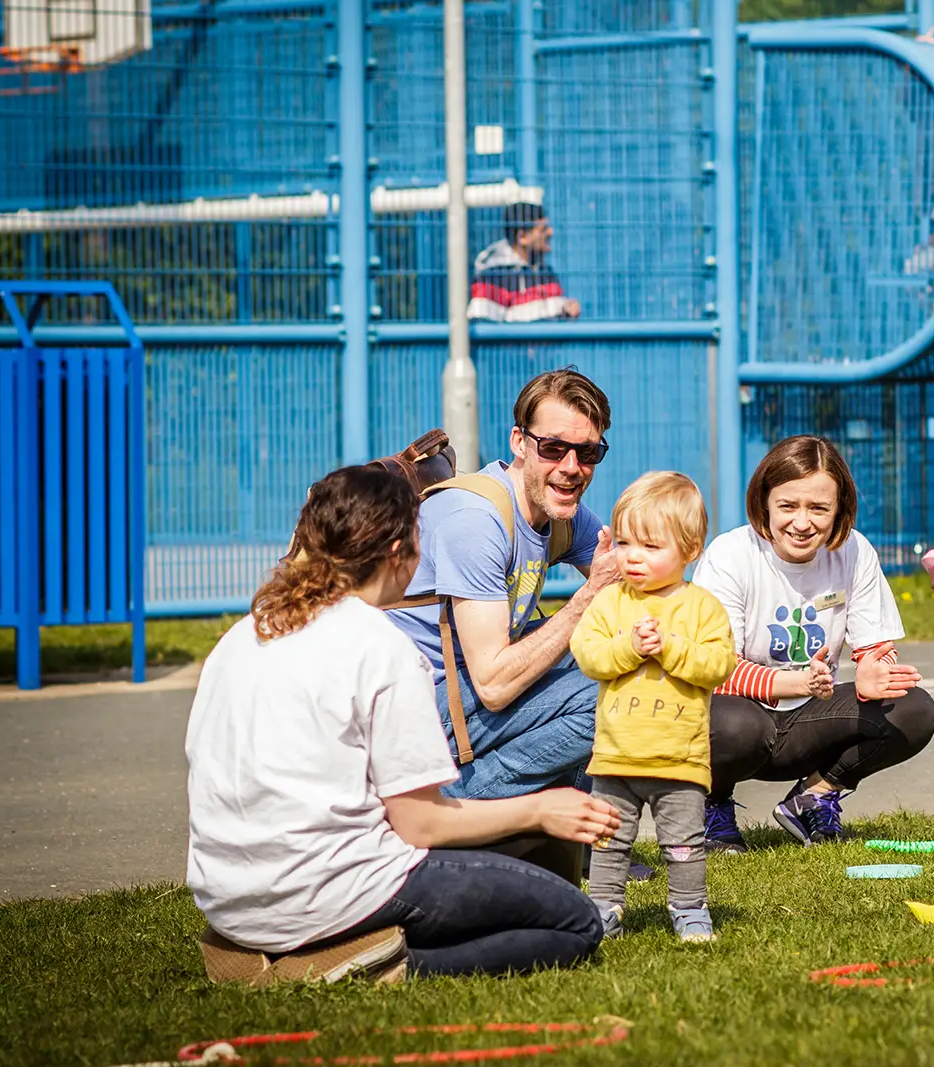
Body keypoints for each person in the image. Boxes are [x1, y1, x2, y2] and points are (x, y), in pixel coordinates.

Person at [187, 466, 617, 984]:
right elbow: (421, 827)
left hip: (228, 901)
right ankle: (362, 967)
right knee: (575, 922)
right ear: (398, 553)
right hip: (326, 892)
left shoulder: (244, 633)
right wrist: (540, 810)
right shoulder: (382, 646)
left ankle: (263, 949)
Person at [388, 368, 621, 822]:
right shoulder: (476, 520)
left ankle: (578, 832)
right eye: (553, 448)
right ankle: (443, 808)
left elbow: (640, 590)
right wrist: (588, 596)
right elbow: (494, 685)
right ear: (519, 442)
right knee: (613, 695)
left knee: (617, 652)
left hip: (461, 695)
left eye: (588, 452)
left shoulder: (558, 510)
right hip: (410, 716)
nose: (571, 467)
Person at [692, 435, 934, 850]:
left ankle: (815, 796)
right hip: (741, 721)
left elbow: (874, 644)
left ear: (839, 509)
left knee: (914, 709)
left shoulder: (855, 550)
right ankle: (713, 806)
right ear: (764, 502)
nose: (803, 522)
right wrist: (797, 683)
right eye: (788, 506)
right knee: (730, 722)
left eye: (819, 508)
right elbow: (716, 668)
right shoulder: (730, 554)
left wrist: (874, 667)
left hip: (810, 720)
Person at [571, 472, 736, 943]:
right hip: (616, 757)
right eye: (624, 542)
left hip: (679, 758)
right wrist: (627, 647)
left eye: (650, 546)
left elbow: (719, 664)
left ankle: (689, 908)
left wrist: (669, 649)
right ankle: (604, 907)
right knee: (608, 840)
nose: (633, 556)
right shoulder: (610, 602)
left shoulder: (702, 607)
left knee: (683, 843)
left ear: (690, 550)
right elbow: (588, 653)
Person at [467, 202, 580, 321]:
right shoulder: (493, 276)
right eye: (543, 229)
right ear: (522, 237)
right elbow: (483, 325)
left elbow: (551, 319)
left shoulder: (546, 273)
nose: (551, 232)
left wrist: (566, 308)